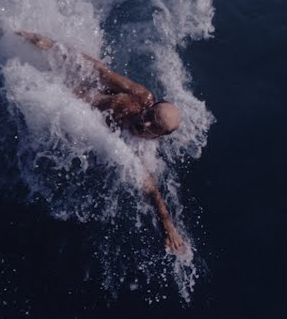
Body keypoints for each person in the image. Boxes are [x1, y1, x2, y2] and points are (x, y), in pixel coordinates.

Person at [18, 30, 188, 256]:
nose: (144, 123)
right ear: (151, 106)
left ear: (160, 135)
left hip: (68, 115)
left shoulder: (140, 150)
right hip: (70, 90)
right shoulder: (139, 96)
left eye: (154, 127)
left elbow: (150, 189)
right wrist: (52, 46)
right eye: (149, 115)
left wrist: (167, 225)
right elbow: (99, 70)